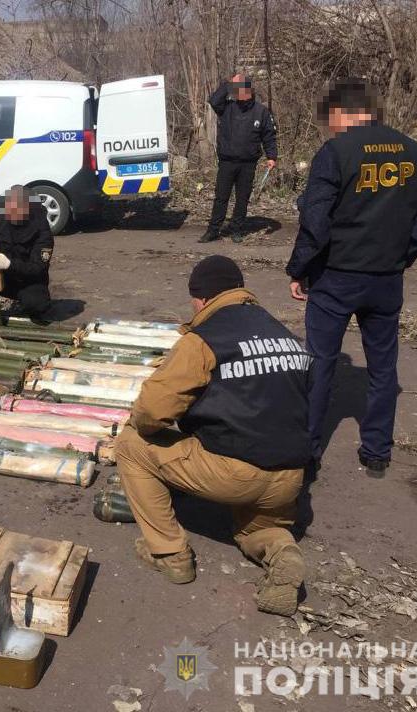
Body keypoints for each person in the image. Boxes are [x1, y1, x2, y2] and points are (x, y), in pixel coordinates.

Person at [115, 256, 311, 616]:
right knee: (257, 529)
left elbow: (151, 411)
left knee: (130, 444)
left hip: (234, 472)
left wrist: (153, 432)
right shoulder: (287, 337)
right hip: (291, 475)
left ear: (201, 299)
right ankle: (282, 551)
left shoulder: (204, 339)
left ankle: (170, 554)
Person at [286, 78, 417, 477]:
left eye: (329, 119)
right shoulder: (412, 150)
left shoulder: (336, 152)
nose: (328, 127)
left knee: (319, 362)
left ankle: (308, 451)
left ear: (342, 112)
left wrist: (299, 269)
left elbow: (315, 221)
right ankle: (376, 453)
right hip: (386, 278)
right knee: (383, 366)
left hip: (337, 276)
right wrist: (400, 259)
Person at [199, 74, 277, 244]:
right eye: (237, 89)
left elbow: (269, 135)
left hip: (248, 163)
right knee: (221, 197)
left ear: (250, 91)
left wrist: (271, 156)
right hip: (227, 162)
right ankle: (213, 230)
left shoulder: (261, 112)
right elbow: (213, 100)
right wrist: (229, 83)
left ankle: (237, 230)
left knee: (242, 199)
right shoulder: (227, 107)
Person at [0, 185, 54, 322]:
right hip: (3, 276)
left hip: (28, 280)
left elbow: (38, 268)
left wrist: (9, 264)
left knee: (37, 305)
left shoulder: (42, 229)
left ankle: (29, 309)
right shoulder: (2, 218)